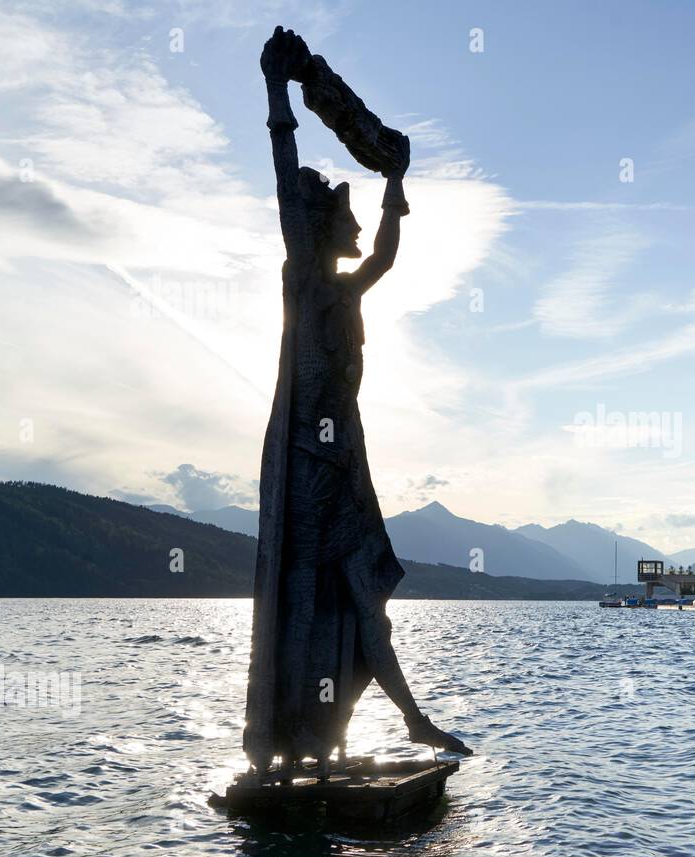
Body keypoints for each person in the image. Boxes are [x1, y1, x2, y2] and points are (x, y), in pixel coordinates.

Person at [245, 27, 470, 773]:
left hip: (344, 468)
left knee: (365, 603)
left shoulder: (344, 290)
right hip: (311, 464)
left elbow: (386, 254)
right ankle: (300, 738)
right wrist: (278, 90)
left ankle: (399, 721)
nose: (352, 215)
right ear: (318, 228)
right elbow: (284, 170)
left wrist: (397, 186)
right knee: (309, 590)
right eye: (342, 208)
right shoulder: (306, 279)